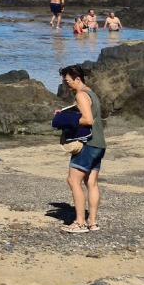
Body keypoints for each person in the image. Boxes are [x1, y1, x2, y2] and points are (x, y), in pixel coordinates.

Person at [57, 65, 105, 233]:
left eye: (68, 81)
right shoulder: (91, 93)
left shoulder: (81, 95)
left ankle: (79, 222)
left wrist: (64, 120)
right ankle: (92, 222)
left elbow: (88, 120)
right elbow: (88, 112)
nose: (66, 84)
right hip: (99, 143)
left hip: (88, 144)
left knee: (73, 180)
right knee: (91, 182)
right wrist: (65, 112)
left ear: (77, 79)